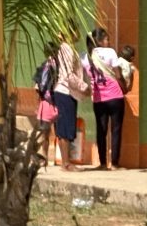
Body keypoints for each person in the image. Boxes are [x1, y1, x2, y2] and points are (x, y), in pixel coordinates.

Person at [85, 27, 126, 170]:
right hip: (115, 96)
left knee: (101, 131)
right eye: (107, 39)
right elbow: (118, 75)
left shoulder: (87, 56)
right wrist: (124, 87)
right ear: (100, 41)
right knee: (116, 130)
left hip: (98, 99)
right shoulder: (110, 52)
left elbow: (88, 76)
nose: (109, 41)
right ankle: (114, 163)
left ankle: (102, 163)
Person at [50, 30, 87, 170]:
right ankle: (66, 163)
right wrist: (83, 87)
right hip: (66, 91)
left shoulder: (65, 48)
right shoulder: (67, 49)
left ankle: (65, 162)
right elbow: (69, 75)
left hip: (65, 91)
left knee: (64, 128)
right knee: (65, 128)